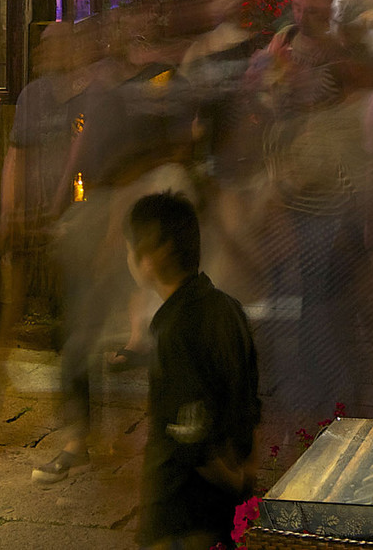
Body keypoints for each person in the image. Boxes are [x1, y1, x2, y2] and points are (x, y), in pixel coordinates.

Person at [126, 191, 260, 550]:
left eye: (132, 246)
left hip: (182, 516)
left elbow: (193, 438)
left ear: (155, 253)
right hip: (222, 518)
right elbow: (249, 401)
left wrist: (235, 481)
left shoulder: (176, 328)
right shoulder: (228, 307)